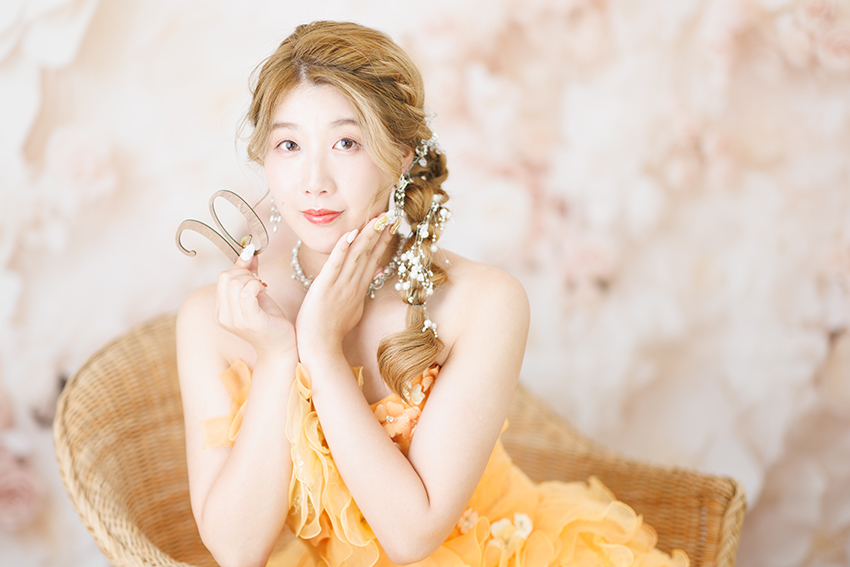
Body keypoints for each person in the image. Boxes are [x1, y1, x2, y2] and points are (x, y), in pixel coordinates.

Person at [176, 20, 689, 567]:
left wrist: (322, 351)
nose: (314, 180)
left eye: (347, 142)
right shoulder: (216, 318)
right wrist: (280, 358)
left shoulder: (485, 302)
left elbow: (412, 538)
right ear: (264, 157)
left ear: (400, 155)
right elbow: (236, 551)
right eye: (289, 144)